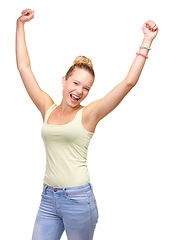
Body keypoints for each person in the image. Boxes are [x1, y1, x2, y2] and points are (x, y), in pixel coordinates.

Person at [16, 8, 158, 240]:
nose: (79, 91)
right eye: (75, 83)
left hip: (79, 201)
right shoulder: (47, 107)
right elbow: (24, 68)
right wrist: (20, 24)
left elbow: (128, 82)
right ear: (64, 80)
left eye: (86, 88)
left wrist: (146, 40)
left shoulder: (89, 114)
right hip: (48, 199)